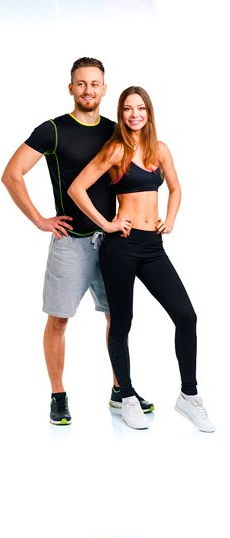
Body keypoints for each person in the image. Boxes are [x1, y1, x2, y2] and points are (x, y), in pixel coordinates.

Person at [3, 56, 154, 426]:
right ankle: (58, 395)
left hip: (113, 240)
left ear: (104, 88)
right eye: (81, 83)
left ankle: (121, 389)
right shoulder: (52, 130)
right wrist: (40, 219)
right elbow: (12, 174)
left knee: (116, 317)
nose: (88, 90)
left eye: (95, 84)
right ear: (71, 87)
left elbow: (140, 177)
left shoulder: (117, 131)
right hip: (71, 241)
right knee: (59, 319)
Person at [68, 87, 215, 432]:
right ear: (121, 115)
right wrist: (106, 223)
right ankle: (127, 396)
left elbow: (176, 188)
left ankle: (189, 396)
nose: (134, 114)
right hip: (121, 245)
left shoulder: (160, 149)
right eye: (127, 109)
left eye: (140, 109)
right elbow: (77, 188)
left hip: (153, 247)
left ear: (148, 113)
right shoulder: (116, 150)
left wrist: (171, 218)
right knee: (121, 322)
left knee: (186, 316)